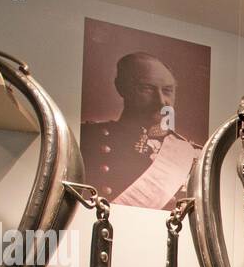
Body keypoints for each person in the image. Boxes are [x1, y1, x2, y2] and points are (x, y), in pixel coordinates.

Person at [80, 52, 200, 209]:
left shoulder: (192, 154)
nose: (161, 101)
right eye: (147, 89)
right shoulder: (88, 137)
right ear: (121, 87)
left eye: (167, 90)